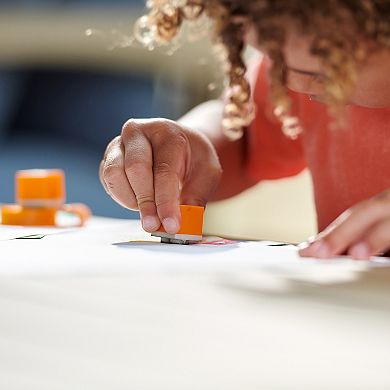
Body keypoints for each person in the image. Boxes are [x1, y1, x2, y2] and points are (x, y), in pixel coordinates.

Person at [100, 0, 390, 260]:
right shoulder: (305, 40)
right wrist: (184, 149)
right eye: (273, 59)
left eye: (323, 73)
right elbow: (244, 139)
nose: (292, 85)